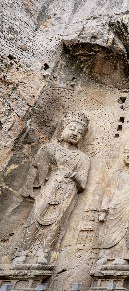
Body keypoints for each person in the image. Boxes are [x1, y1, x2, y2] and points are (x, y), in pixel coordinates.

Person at [13, 111, 90, 265]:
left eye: (80, 132)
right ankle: (22, 251)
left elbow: (83, 183)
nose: (75, 133)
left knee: (56, 222)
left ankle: (44, 252)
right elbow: (36, 172)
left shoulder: (83, 158)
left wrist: (73, 176)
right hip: (48, 188)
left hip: (67, 192)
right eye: (72, 129)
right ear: (62, 129)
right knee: (35, 217)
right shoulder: (49, 149)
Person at [96, 143, 129, 266]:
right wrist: (103, 210)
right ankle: (105, 255)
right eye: (126, 151)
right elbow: (108, 194)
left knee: (127, 232)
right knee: (108, 232)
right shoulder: (117, 175)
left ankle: (123, 256)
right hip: (114, 209)